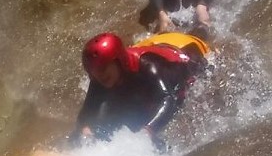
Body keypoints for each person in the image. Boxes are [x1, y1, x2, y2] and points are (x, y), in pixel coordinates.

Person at [72, 31, 210, 147]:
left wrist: (148, 131)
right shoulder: (100, 78)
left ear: (118, 61)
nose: (99, 74)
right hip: (155, 47)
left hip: (187, 57)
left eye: (102, 68)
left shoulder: (150, 66)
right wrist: (84, 131)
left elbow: (168, 99)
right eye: (93, 71)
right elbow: (87, 113)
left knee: (148, 124)